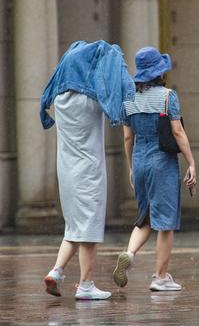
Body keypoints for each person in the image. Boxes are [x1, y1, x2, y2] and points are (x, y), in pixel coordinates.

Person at [40, 40, 135, 299]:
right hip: (89, 171)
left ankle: (56, 272)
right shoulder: (90, 101)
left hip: (66, 171)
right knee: (90, 229)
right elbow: (115, 89)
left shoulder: (60, 99)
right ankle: (85, 285)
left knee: (74, 227)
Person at [112, 46, 196, 291]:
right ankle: (160, 277)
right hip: (162, 162)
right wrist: (191, 162)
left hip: (139, 160)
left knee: (145, 217)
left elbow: (128, 138)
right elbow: (178, 132)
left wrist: (131, 166)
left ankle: (130, 253)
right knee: (166, 222)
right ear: (160, 72)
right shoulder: (168, 96)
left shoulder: (128, 98)